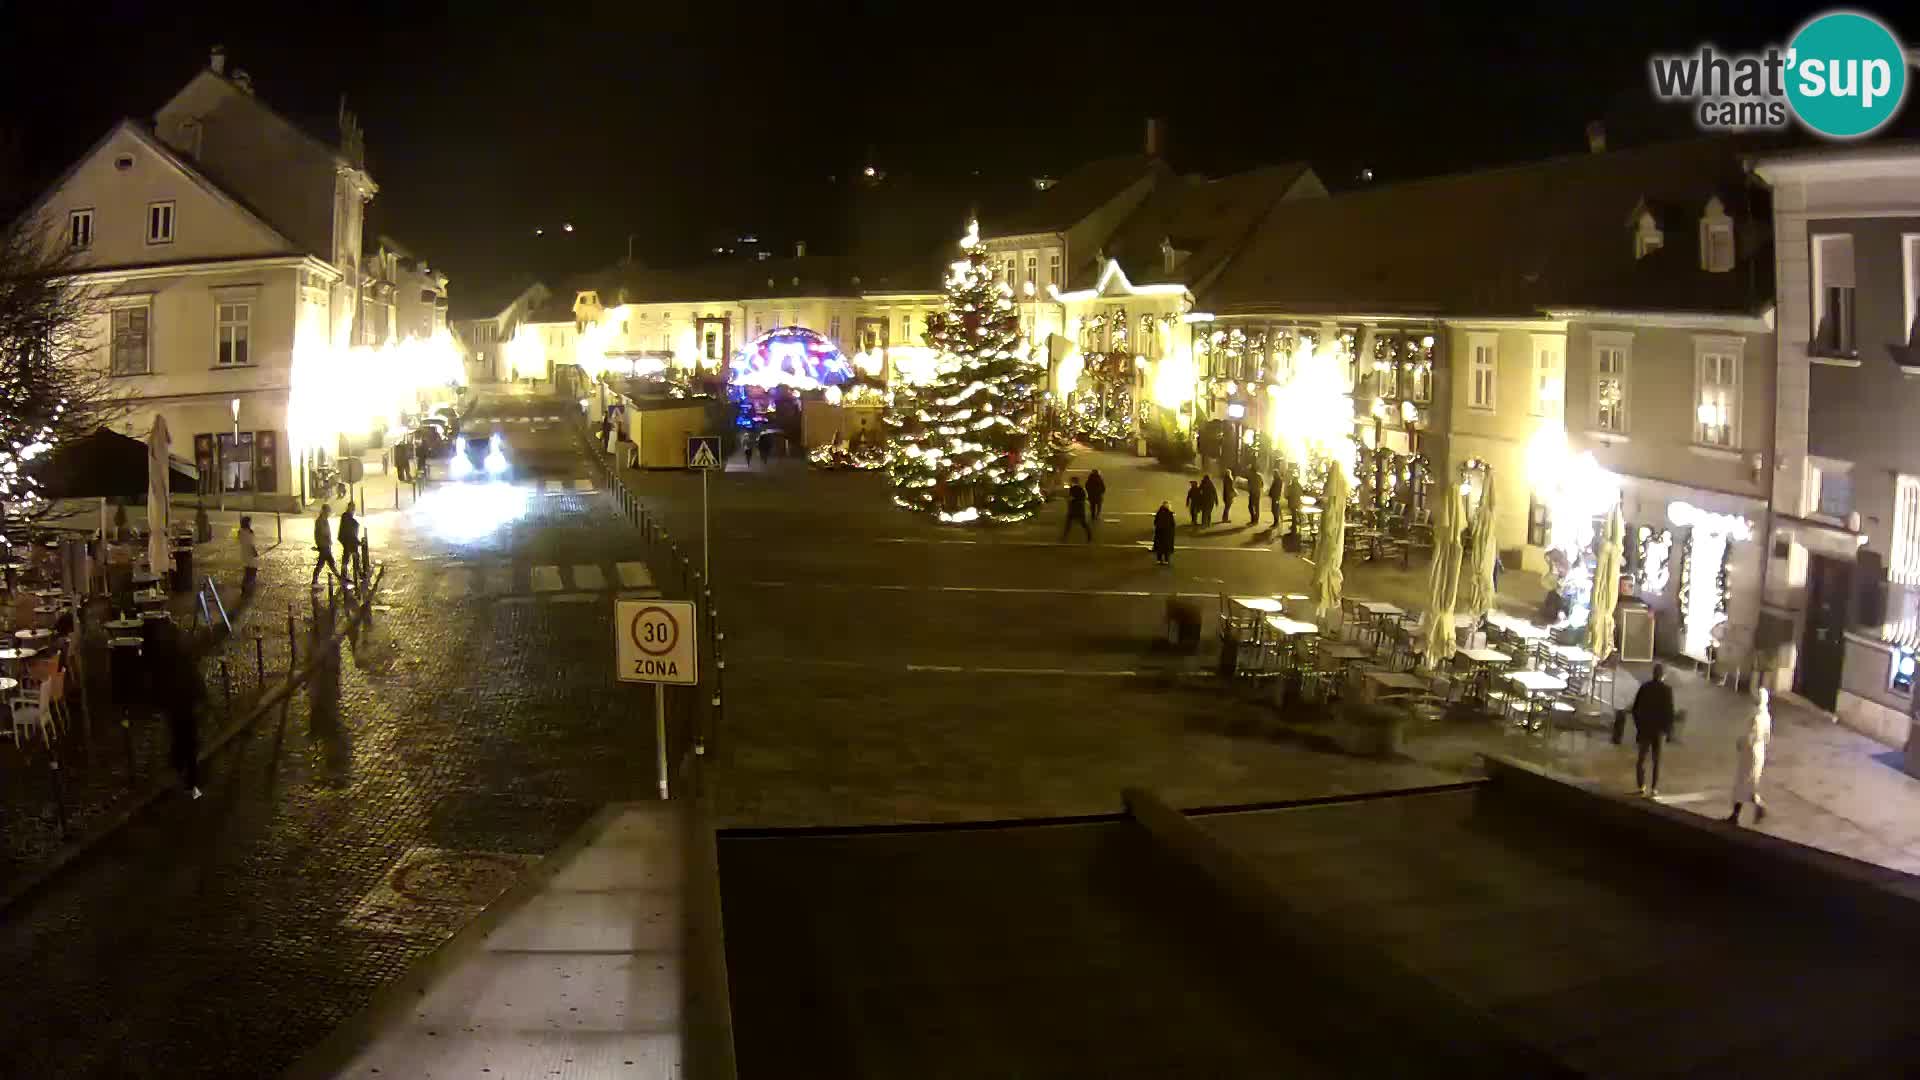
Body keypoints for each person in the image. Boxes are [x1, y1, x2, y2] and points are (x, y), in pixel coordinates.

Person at [156, 627, 203, 800]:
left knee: (179, 737)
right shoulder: (184, 660)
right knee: (187, 741)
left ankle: (180, 771)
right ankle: (189, 781)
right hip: (184, 704)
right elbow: (194, 679)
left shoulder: (168, 662)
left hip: (176, 705)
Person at [1631, 663, 1677, 796]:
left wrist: (1639, 725)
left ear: (1653, 673)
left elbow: (1635, 708)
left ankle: (1641, 786)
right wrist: (1668, 731)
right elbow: (1669, 713)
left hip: (1645, 729)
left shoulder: (1644, 687)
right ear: (1662, 675)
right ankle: (1654, 788)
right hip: (1658, 731)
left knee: (1641, 759)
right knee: (1656, 761)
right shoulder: (1667, 690)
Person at [1728, 688, 1772, 826]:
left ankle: (1735, 816)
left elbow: (1750, 737)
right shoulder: (1766, 716)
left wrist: (1741, 743)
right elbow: (1767, 737)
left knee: (1742, 785)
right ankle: (1759, 808)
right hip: (1759, 752)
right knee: (1750, 785)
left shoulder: (1756, 716)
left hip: (1750, 753)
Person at [311, 504, 339, 589]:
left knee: (330, 563)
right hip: (324, 546)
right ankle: (314, 582)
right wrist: (321, 545)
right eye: (328, 512)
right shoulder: (320, 521)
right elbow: (321, 533)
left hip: (326, 545)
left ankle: (340, 578)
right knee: (322, 564)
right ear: (324, 511)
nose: (329, 514)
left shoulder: (324, 520)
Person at [338, 504, 362, 586]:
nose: (353, 511)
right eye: (353, 509)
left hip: (348, 542)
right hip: (349, 542)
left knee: (348, 559)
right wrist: (358, 542)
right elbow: (351, 533)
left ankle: (345, 577)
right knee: (352, 558)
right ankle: (353, 576)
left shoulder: (346, 517)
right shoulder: (347, 518)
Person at [238, 515, 259, 593]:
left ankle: (245, 585)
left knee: (247, 571)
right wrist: (255, 552)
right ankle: (249, 585)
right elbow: (251, 544)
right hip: (250, 554)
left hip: (244, 553)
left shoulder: (240, 532)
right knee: (252, 570)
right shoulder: (249, 532)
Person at [1152, 501, 1176, 566]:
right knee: (1166, 548)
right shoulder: (1170, 514)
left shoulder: (1159, 513)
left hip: (1159, 533)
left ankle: (1159, 559)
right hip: (1167, 534)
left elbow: (1155, 522)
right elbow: (1173, 524)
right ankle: (1166, 560)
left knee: (1159, 547)